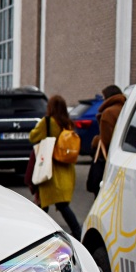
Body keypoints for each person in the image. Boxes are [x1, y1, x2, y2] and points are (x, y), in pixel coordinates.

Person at [29, 94, 82, 238]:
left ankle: (37, 234)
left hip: (49, 168)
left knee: (45, 204)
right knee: (59, 203)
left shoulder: (47, 122)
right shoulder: (69, 124)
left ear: (50, 107)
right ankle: (76, 232)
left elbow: (32, 137)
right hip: (66, 169)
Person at [94, 84, 125, 155]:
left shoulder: (108, 113)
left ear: (107, 98)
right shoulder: (126, 108)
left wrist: (95, 141)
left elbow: (106, 141)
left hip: (111, 155)